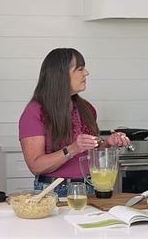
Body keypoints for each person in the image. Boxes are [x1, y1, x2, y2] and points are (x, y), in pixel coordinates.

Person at [19, 48, 131, 197]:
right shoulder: (35, 112)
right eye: (80, 69)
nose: (86, 73)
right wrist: (73, 148)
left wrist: (107, 144)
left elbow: (89, 154)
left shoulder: (87, 108)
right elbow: (35, 166)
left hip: (91, 187)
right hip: (55, 191)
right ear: (61, 75)